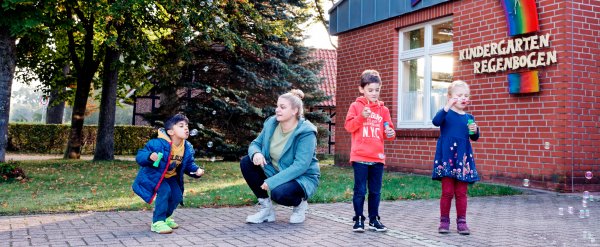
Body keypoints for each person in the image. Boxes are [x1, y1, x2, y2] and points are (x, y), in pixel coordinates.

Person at [240, 89, 320, 224]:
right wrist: (257, 153)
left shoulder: (306, 132)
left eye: (282, 107)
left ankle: (300, 205)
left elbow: (300, 166)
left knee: (279, 194)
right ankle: (267, 211)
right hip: (276, 169)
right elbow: (255, 144)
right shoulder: (272, 123)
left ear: (295, 111)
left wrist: (271, 182)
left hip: (301, 177)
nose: (277, 110)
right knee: (247, 162)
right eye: (277, 106)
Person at [132, 113, 205, 234]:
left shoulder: (187, 147)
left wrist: (196, 171)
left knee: (177, 196)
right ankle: (157, 222)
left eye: (187, 126)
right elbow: (140, 156)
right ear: (170, 132)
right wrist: (150, 156)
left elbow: (188, 164)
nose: (186, 128)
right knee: (165, 191)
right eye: (181, 126)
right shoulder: (157, 143)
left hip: (171, 177)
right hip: (156, 176)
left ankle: (166, 217)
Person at [344, 70, 396, 233]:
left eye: (377, 90)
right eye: (370, 90)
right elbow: (349, 127)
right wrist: (361, 117)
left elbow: (389, 133)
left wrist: (390, 133)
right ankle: (359, 219)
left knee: (375, 191)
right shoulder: (355, 106)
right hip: (360, 157)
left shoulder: (383, 110)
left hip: (377, 158)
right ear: (362, 89)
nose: (374, 93)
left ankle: (374, 219)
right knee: (360, 190)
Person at [431, 80, 480, 235]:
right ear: (450, 97)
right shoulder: (446, 115)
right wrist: (447, 106)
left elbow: (474, 137)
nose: (463, 98)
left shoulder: (468, 117)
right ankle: (444, 221)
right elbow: (435, 121)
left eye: (466, 95)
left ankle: (462, 222)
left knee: (461, 193)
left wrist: (475, 130)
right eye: (459, 95)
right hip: (447, 159)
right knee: (447, 192)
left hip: (462, 160)